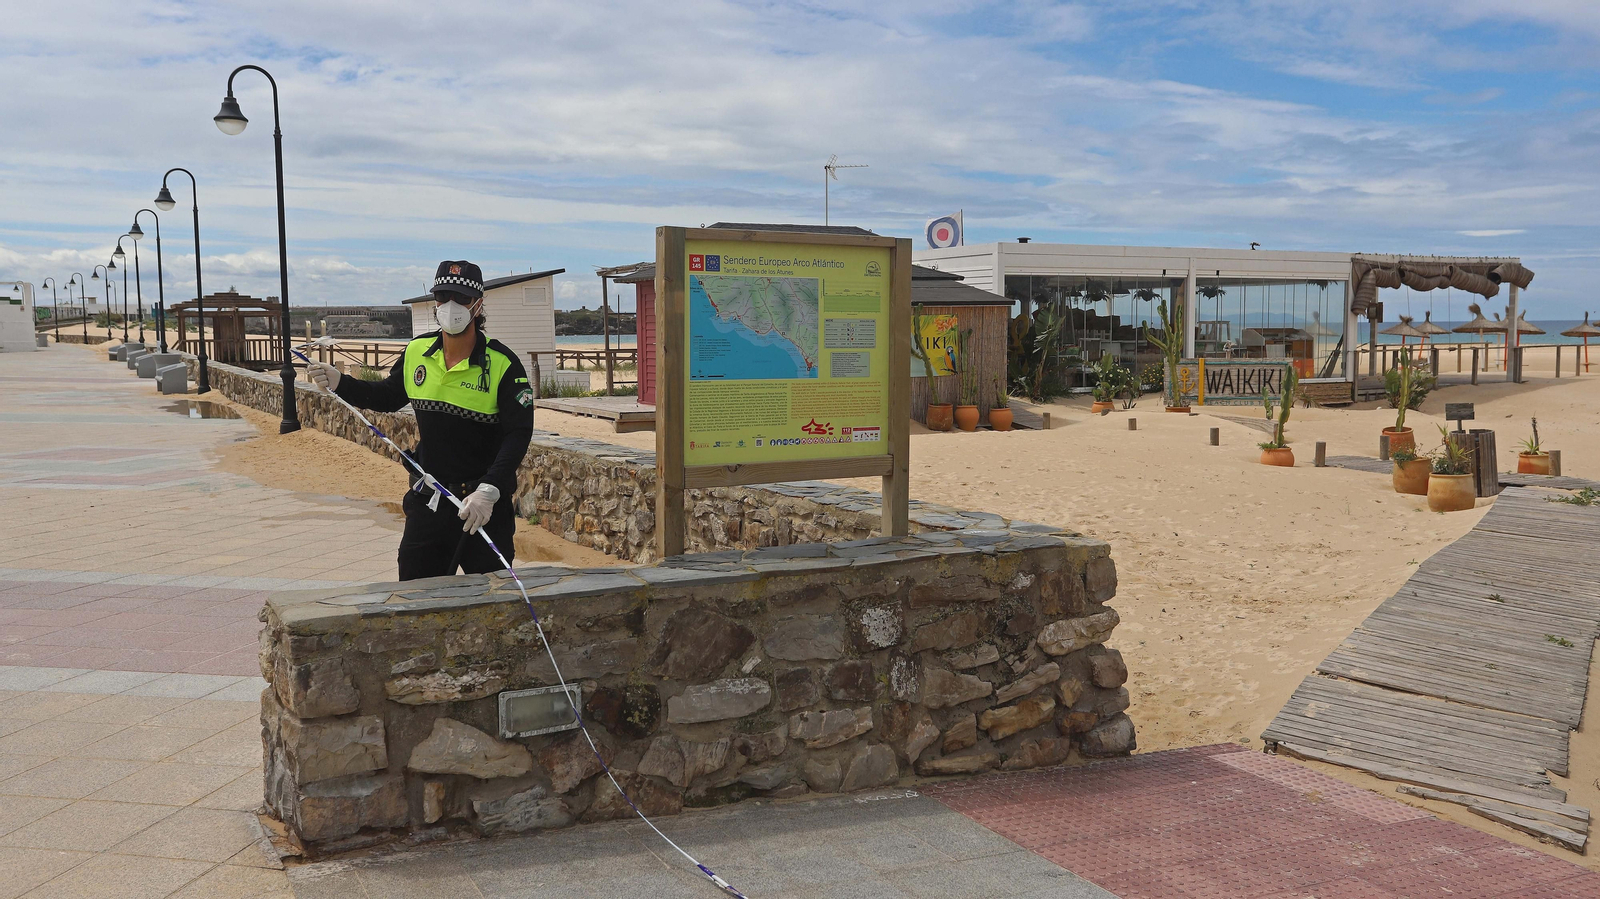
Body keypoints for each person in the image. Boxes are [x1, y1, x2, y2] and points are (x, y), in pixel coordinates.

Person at [306, 261, 535, 580]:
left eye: (461, 298)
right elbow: (388, 396)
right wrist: (340, 383)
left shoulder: (503, 364)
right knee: (415, 598)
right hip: (429, 503)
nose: (451, 306)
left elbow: (519, 432)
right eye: (443, 297)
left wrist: (491, 488)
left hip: (482, 509)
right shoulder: (417, 352)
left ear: (478, 304)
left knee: (492, 601)